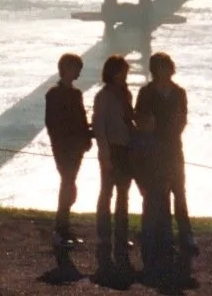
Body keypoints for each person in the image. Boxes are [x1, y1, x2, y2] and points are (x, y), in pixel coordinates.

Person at [135, 51, 193, 278]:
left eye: (168, 66)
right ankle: (161, 237)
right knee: (157, 193)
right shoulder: (146, 92)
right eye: (163, 67)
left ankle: (185, 234)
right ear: (156, 69)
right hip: (154, 149)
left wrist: (171, 130)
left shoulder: (179, 92)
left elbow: (182, 118)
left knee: (179, 190)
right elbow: (140, 117)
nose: (167, 70)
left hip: (173, 147)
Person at [92, 54, 135, 276]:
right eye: (121, 71)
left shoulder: (126, 94)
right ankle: (103, 237)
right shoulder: (104, 96)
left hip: (126, 149)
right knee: (107, 193)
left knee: (123, 195)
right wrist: (105, 154)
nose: (124, 75)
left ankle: (120, 237)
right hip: (111, 149)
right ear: (112, 72)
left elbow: (130, 121)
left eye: (126, 72)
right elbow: (99, 126)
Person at [44, 52, 92, 246]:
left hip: (75, 147)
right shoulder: (54, 94)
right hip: (65, 148)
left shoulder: (75, 94)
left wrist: (87, 137)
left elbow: (81, 120)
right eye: (77, 69)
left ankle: (64, 227)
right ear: (67, 69)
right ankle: (60, 229)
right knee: (68, 185)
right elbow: (52, 124)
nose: (79, 74)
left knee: (69, 185)